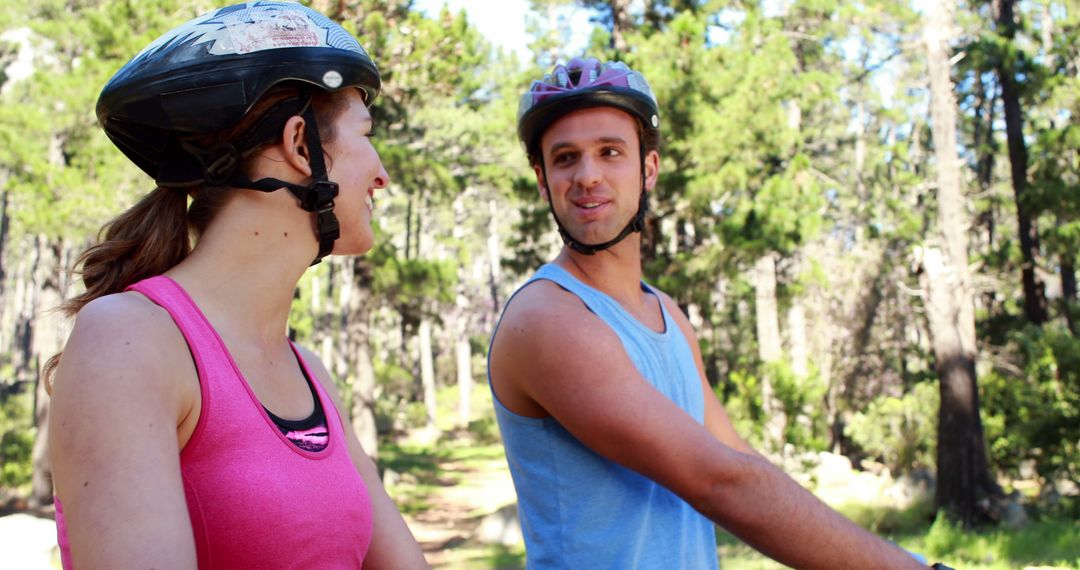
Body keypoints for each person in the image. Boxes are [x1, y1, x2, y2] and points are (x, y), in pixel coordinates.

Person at [488, 57, 948, 569]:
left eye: (610, 152)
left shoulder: (666, 314)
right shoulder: (548, 319)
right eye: (566, 158)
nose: (588, 176)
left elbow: (740, 461)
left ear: (649, 169)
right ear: (542, 179)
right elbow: (720, 482)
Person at [45, 3, 429, 568]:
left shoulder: (309, 372)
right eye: (366, 136)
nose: (381, 174)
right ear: (302, 147)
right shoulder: (130, 342)